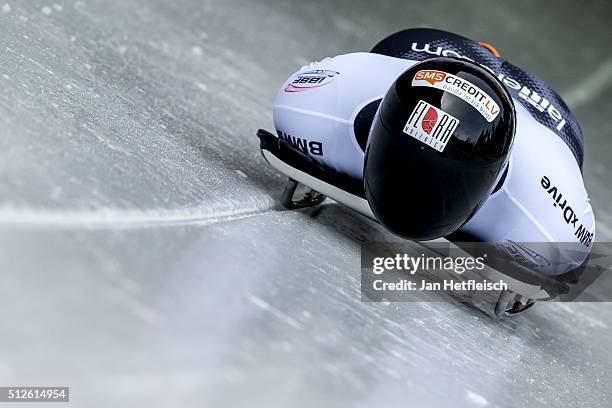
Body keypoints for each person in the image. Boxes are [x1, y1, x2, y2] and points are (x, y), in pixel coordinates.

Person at [263, 28, 595, 276]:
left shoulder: (549, 222)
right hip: (416, 55)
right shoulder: (312, 109)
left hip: (546, 118)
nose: (416, 190)